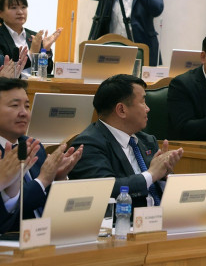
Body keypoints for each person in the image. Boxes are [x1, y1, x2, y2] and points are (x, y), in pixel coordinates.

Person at [69, 75, 183, 208]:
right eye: (143, 102)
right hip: (121, 223)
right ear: (122, 110)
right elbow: (105, 189)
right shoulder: (88, 145)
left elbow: (163, 190)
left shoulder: (147, 140)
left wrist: (164, 175)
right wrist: (151, 175)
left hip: (159, 220)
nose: (148, 108)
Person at [0, 78, 83, 234]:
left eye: (27, 106)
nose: (23, 113)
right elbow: (9, 215)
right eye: (14, 105)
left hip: (46, 233)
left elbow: (44, 201)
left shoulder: (33, 146)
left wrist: (56, 178)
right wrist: (43, 180)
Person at [0, 0, 61, 76]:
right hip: (11, 88)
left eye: (23, 7)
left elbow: (48, 71)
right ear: (1, 13)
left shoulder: (34, 36)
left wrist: (46, 51)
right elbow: (4, 70)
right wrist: (32, 53)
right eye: (14, 8)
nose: (20, 12)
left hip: (36, 87)